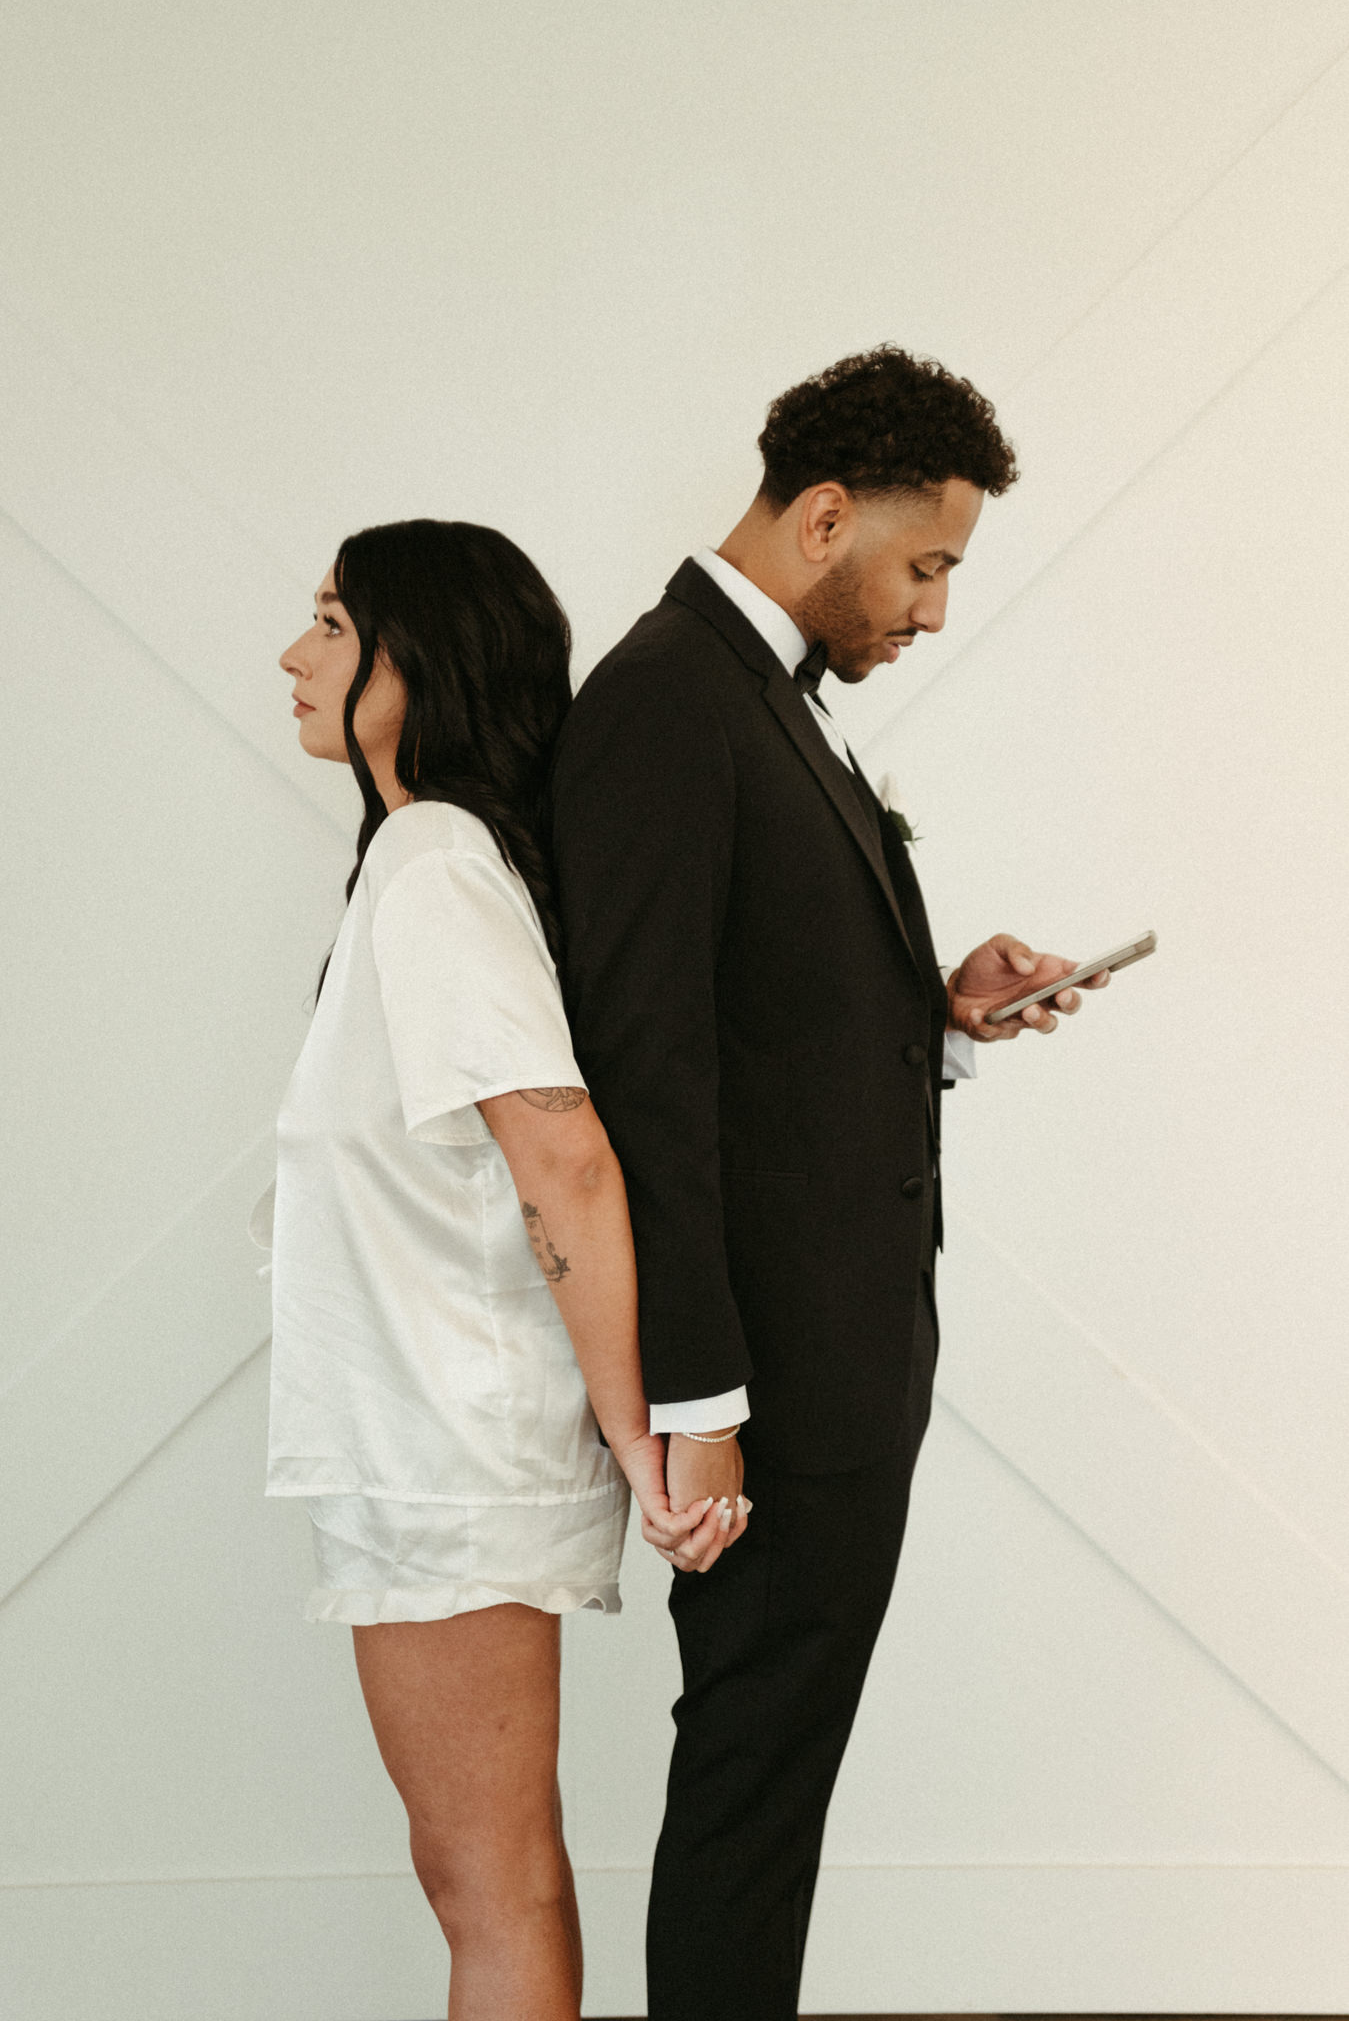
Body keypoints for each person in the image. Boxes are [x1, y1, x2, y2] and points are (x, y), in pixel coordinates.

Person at [549, 344, 1111, 2020]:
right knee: (751, 1785)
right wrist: (699, 1402)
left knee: (772, 1782)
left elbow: (762, 1024)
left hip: (836, 1363)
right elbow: (648, 1073)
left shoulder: (760, 695)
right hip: (770, 1384)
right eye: (923, 565)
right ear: (818, 519)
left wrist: (933, 1016)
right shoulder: (667, 699)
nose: (932, 611)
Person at [253, 519, 702, 2021]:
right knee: (482, 1873)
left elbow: (563, 1152)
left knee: (487, 1880)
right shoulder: (428, 858)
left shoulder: (436, 860)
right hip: (425, 1442)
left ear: (423, 659)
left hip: (449, 1453)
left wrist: (639, 1431)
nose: (294, 655)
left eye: (333, 623)